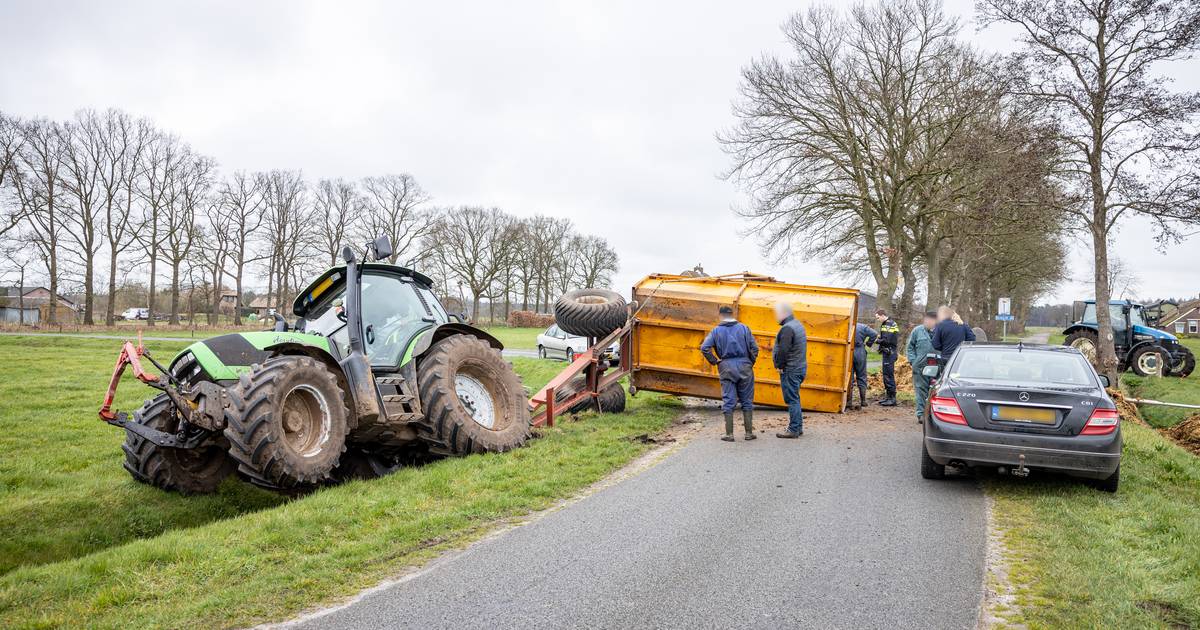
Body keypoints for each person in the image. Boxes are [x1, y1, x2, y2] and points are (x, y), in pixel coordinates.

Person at [700, 305, 760, 442]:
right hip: (745, 366)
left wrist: (715, 361)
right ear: (732, 314)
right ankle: (749, 433)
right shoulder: (744, 328)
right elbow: (755, 348)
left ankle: (729, 434)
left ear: (720, 316)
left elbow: (704, 348)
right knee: (747, 400)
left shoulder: (716, 331)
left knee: (728, 399)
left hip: (726, 366)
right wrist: (750, 362)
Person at [772, 302, 807, 438]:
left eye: (777, 313)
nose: (775, 317)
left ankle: (793, 429)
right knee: (795, 398)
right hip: (799, 367)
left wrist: (780, 366)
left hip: (791, 370)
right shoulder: (798, 325)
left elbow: (783, 350)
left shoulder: (787, 329)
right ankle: (798, 427)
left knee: (792, 399)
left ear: (783, 313)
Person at [906, 311, 937, 423]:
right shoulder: (917, 331)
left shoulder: (941, 331)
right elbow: (910, 347)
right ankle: (921, 414)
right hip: (920, 366)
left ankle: (934, 414)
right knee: (920, 389)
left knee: (935, 390)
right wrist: (913, 361)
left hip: (937, 366)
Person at [849, 320, 878, 410]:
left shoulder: (847, 326)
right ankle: (863, 400)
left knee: (849, 376)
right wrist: (869, 343)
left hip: (849, 351)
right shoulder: (863, 327)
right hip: (860, 352)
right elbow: (874, 333)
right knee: (861, 376)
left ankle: (848, 401)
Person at [874, 309, 900, 407]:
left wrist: (877, 341)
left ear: (882, 315)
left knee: (888, 375)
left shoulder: (888, 324)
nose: (877, 320)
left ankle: (892, 399)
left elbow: (886, 340)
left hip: (890, 353)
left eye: (878, 317)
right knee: (886, 374)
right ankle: (888, 397)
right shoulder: (887, 323)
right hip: (888, 352)